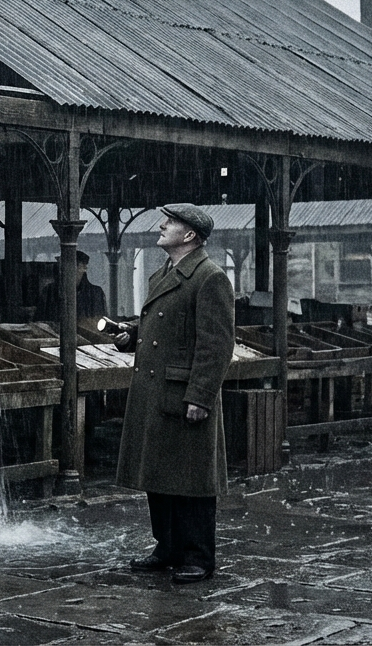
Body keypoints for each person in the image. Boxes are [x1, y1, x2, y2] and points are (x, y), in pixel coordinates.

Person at [113, 203, 234, 585]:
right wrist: (134, 335)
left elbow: (216, 346)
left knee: (192, 480)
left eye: (171, 223)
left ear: (190, 236)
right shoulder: (162, 274)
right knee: (160, 475)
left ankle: (198, 557)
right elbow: (167, 327)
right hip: (156, 390)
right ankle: (166, 548)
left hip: (184, 396)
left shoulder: (209, 278)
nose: (162, 226)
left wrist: (200, 396)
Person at [39, 250, 107, 329]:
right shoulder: (49, 290)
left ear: (84, 268)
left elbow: (98, 323)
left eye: (71, 265)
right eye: (62, 265)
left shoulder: (95, 293)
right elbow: (40, 321)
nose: (64, 269)